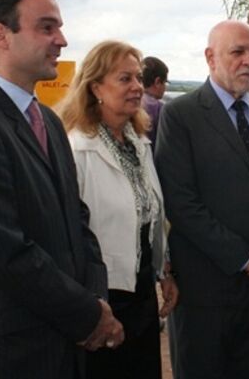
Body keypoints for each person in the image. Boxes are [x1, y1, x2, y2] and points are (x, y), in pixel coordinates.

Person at [0, 0, 123, 379]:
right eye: (46, 27)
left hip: (63, 346)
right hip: (7, 353)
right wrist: (87, 315)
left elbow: (78, 221)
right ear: (1, 35)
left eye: (60, 27)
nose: (62, 40)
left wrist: (96, 301)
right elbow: (5, 254)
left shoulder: (49, 123)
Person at [155, 20, 249, 379]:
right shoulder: (180, 115)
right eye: (237, 52)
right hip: (204, 289)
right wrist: (242, 258)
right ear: (210, 57)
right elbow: (181, 201)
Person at [58, 41, 178, 379]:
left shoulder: (138, 143)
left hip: (140, 294)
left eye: (139, 78)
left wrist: (164, 272)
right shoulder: (75, 149)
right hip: (100, 299)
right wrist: (90, 306)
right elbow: (67, 237)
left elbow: (150, 218)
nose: (137, 87)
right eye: (125, 79)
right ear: (95, 86)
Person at [141, 56, 169, 145]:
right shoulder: (159, 108)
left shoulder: (129, 103)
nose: (165, 87)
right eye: (165, 82)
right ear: (157, 82)